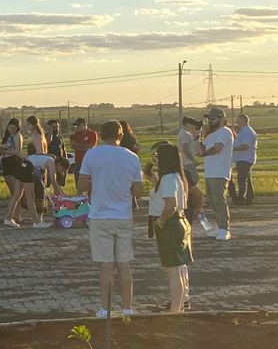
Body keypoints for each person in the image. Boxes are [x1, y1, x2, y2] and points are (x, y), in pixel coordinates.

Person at [78, 120, 144, 317]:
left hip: (99, 216)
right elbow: (139, 192)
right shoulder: (132, 157)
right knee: (124, 264)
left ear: (100, 134)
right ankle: (127, 308)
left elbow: (81, 186)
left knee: (105, 265)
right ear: (121, 135)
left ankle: (105, 310)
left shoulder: (92, 154)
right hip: (123, 215)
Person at [148, 141, 192, 313]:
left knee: (173, 272)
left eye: (158, 156)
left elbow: (170, 205)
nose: (155, 159)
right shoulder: (175, 176)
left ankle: (175, 309)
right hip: (179, 223)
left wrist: (160, 221)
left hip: (170, 224)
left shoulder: (168, 178)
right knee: (178, 270)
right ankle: (178, 306)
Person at [199, 108, 234, 240]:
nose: (210, 121)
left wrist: (204, 153)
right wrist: (197, 137)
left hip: (220, 172)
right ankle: (219, 227)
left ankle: (224, 229)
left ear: (221, 119)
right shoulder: (211, 135)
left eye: (212, 119)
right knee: (213, 202)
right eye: (209, 119)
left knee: (219, 201)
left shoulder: (225, 132)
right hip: (210, 172)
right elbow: (200, 150)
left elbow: (217, 149)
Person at [0, 119, 37, 228]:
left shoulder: (17, 136)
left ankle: (15, 216)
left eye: (14, 128)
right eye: (10, 127)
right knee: (14, 191)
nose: (12, 130)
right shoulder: (7, 137)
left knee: (17, 192)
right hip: (6, 163)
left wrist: (4, 152)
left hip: (13, 162)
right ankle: (13, 215)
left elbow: (17, 152)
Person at [24, 116, 56, 228]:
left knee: (38, 192)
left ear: (33, 125)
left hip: (36, 167)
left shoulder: (37, 137)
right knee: (37, 192)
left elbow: (39, 153)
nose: (26, 126)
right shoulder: (38, 136)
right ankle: (37, 219)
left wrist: (30, 159)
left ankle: (38, 219)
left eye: (28, 124)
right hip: (36, 166)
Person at [177, 116, 203, 222]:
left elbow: (198, 151)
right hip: (187, 163)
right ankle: (190, 203)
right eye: (192, 124)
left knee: (193, 183)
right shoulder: (184, 134)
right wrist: (193, 160)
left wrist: (197, 137)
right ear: (187, 124)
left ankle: (190, 202)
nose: (194, 127)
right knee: (193, 183)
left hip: (188, 162)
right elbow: (186, 149)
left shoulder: (188, 135)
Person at [229, 113, 257, 206]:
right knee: (246, 179)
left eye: (238, 120)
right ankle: (249, 198)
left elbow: (245, 146)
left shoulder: (247, 132)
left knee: (241, 179)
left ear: (243, 121)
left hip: (245, 158)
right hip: (242, 158)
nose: (236, 122)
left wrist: (232, 148)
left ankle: (241, 198)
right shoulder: (243, 131)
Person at [69, 118, 99, 190]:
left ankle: (90, 195)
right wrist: (83, 147)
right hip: (79, 161)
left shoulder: (92, 133)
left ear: (84, 125)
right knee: (78, 179)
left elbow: (90, 146)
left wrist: (78, 146)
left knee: (91, 180)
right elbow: (73, 146)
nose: (76, 127)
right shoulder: (76, 134)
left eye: (78, 125)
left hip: (90, 161)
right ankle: (79, 195)